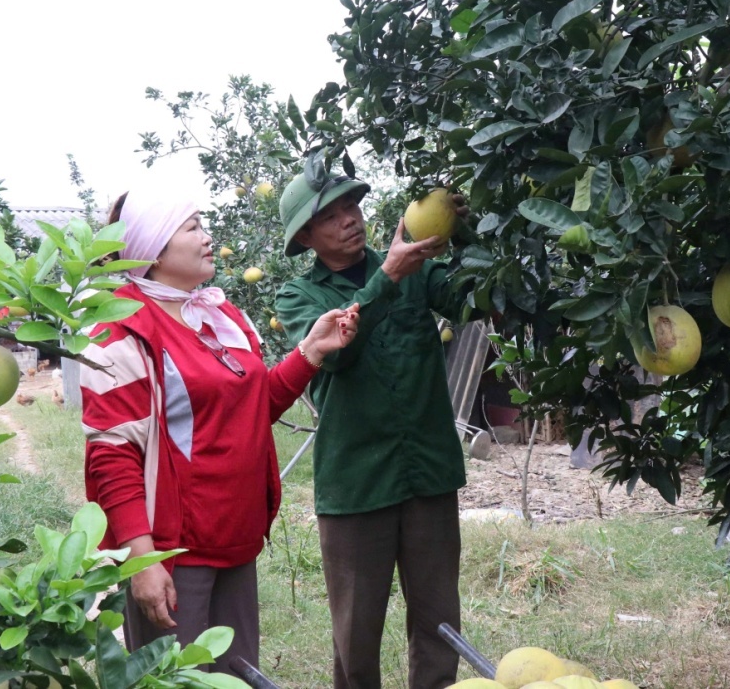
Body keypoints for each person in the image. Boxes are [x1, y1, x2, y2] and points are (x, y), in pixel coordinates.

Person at [80, 188, 359, 675]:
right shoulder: (121, 326)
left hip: (235, 534)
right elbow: (113, 453)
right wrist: (144, 559)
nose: (209, 239)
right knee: (176, 679)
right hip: (176, 548)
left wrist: (311, 351)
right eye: (193, 228)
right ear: (155, 248)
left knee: (236, 677)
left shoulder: (219, 314)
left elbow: (251, 411)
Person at [275, 164, 468, 689]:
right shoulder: (297, 298)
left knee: (439, 622)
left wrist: (461, 231)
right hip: (356, 483)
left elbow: (475, 299)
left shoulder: (417, 270)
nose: (349, 221)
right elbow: (335, 355)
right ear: (307, 237)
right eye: (331, 217)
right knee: (356, 636)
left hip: (427, 472)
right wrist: (388, 281)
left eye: (352, 208)